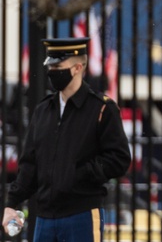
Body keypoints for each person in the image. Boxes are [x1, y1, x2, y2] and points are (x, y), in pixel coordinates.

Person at [3, 36, 131, 242]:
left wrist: (80, 173)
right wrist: (11, 203)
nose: (52, 72)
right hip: (44, 217)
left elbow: (119, 159)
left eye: (58, 66)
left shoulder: (101, 109)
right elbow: (29, 165)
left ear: (78, 67)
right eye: (50, 66)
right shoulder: (43, 110)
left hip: (82, 214)